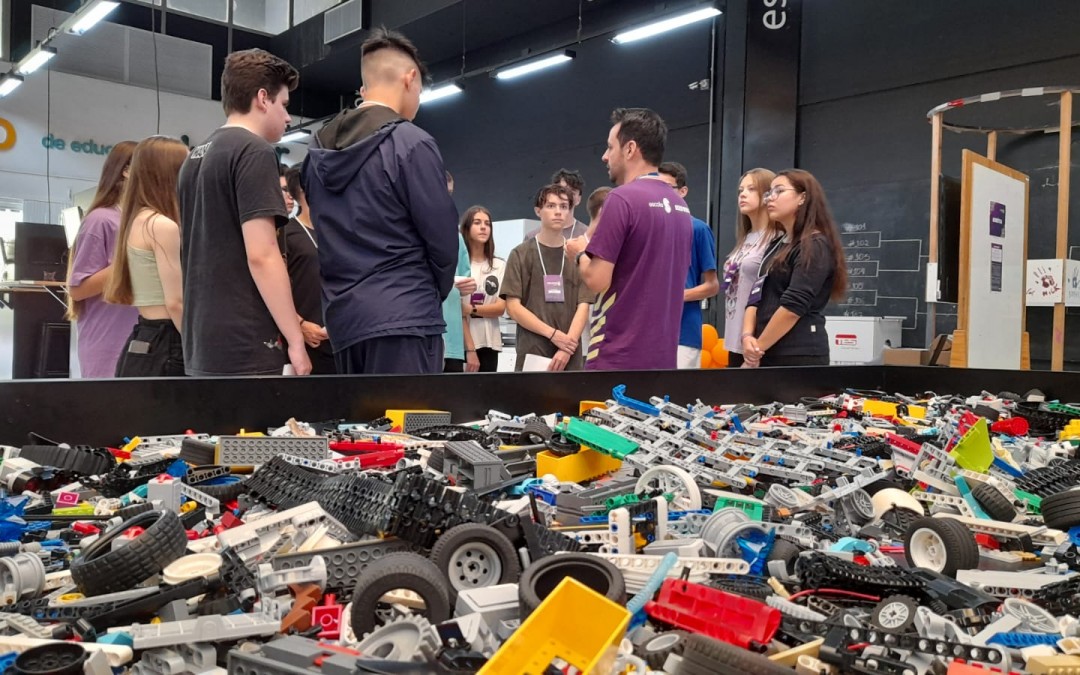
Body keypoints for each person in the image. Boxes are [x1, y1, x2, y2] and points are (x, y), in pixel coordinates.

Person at [302, 27, 458, 375]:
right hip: (405, 318)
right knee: (409, 427)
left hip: (344, 322)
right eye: (420, 89)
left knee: (357, 430)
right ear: (410, 78)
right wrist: (428, 293)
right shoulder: (411, 143)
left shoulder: (316, 153)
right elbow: (443, 242)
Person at [178, 49, 311, 377]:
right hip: (245, 341)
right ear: (263, 98)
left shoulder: (193, 158)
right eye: (284, 105)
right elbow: (262, 254)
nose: (288, 118)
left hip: (201, 340)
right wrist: (295, 338)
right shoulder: (254, 152)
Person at [566, 108, 692, 371]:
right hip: (663, 358)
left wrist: (580, 253)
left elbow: (597, 280)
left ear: (630, 148)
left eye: (610, 147)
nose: (605, 156)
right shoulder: (680, 206)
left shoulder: (621, 199)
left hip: (617, 358)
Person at [741, 169, 848, 367]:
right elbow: (755, 296)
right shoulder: (776, 245)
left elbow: (793, 306)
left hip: (797, 354)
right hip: (765, 350)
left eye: (779, 191)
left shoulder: (815, 245)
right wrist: (747, 336)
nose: (769, 199)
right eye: (768, 193)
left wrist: (757, 350)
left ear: (802, 198)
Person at [104, 136, 189, 377]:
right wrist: (200, 351)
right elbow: (176, 302)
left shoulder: (139, 219)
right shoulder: (162, 226)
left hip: (146, 335)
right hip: (169, 343)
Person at [65, 141, 139, 378]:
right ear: (126, 171)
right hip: (109, 341)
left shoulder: (137, 221)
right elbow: (78, 289)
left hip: (136, 340)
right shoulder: (101, 220)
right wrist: (134, 257)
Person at [502, 185, 592, 371]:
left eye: (564, 206)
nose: (558, 212)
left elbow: (583, 305)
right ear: (538, 211)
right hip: (532, 350)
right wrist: (553, 335)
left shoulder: (578, 255)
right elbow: (513, 307)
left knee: (570, 400)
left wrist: (567, 347)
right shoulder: (521, 253)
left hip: (569, 352)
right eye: (551, 206)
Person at [657, 161, 719, 369]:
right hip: (647, 332)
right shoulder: (647, 230)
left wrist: (675, 296)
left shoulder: (698, 229)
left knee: (677, 397)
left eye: (667, 188)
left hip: (683, 332)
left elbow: (712, 286)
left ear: (683, 191)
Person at [723, 168, 783, 367]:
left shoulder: (776, 240)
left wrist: (758, 342)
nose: (743, 194)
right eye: (741, 190)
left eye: (751, 189)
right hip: (734, 337)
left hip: (757, 341)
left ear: (767, 195)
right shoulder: (745, 238)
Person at [281, 166, 335, 374]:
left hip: (343, 338)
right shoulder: (286, 234)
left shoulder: (338, 234)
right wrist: (299, 324)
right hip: (308, 341)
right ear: (304, 189)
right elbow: (275, 291)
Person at [461, 206, 506, 372]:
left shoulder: (499, 265)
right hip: (464, 344)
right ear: (467, 228)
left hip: (490, 341)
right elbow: (457, 311)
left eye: (487, 224)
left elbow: (500, 308)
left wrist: (470, 309)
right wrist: (470, 349)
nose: (483, 227)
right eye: (477, 223)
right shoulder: (458, 265)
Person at [527, 169, 588, 241]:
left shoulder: (588, 235)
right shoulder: (533, 237)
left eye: (572, 192)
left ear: (579, 199)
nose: (567, 196)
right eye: (562, 190)